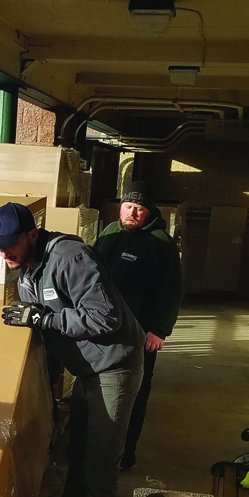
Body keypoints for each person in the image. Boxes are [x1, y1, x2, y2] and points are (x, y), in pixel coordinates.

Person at [0, 202, 144, 497]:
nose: (5, 254)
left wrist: (42, 319)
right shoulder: (26, 271)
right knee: (76, 455)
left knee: (100, 471)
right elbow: (46, 336)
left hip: (114, 366)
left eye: (11, 245)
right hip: (86, 369)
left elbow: (105, 318)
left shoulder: (71, 257)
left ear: (32, 235)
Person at [94, 181, 182, 470]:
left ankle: (124, 454)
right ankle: (94, 448)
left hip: (140, 335)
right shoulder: (109, 233)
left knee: (134, 394)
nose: (132, 212)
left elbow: (171, 290)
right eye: (128, 206)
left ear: (149, 211)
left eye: (139, 209)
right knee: (98, 389)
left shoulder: (161, 244)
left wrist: (159, 329)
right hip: (102, 329)